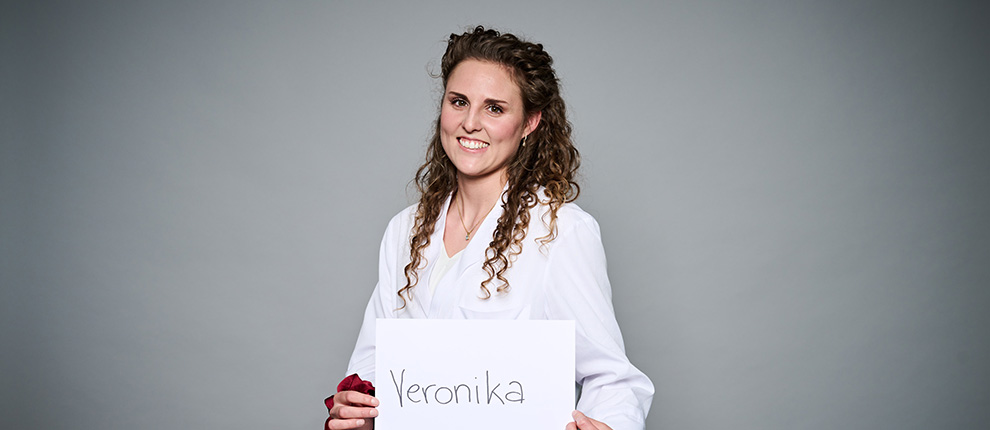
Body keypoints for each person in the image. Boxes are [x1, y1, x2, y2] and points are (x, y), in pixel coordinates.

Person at [325, 26, 654, 430]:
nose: (470, 123)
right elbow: (371, 366)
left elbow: (612, 379)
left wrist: (608, 424)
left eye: (494, 108)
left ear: (529, 122)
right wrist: (356, 411)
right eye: (458, 102)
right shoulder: (404, 229)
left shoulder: (559, 231)